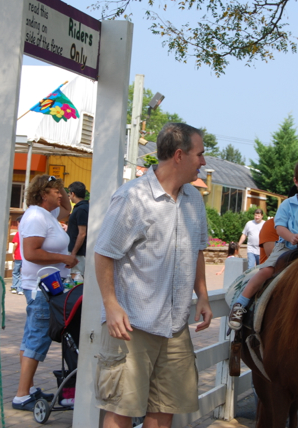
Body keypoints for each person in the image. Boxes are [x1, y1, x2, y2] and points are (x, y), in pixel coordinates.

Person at [94, 122, 213, 428]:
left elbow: (198, 249)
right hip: (133, 325)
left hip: (175, 326)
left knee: (164, 409)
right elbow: (104, 253)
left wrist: (202, 295)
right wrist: (111, 304)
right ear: (178, 155)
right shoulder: (132, 198)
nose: (203, 161)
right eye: (199, 154)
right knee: (121, 409)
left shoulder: (194, 200)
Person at [228, 158, 298, 330]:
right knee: (266, 271)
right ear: (296, 181)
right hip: (286, 247)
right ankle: (240, 304)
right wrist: (291, 237)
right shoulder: (288, 204)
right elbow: (280, 225)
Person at [13, 174, 77, 411]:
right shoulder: (35, 217)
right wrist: (64, 258)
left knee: (32, 336)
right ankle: (21, 395)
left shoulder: (47, 215)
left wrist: (61, 189)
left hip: (49, 285)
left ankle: (27, 388)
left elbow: (67, 210)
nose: (61, 194)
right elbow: (30, 253)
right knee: (38, 338)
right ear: (42, 194)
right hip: (41, 287)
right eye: (55, 191)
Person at [66, 181, 88, 276]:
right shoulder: (82, 207)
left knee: (76, 279)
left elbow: (82, 233)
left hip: (79, 253)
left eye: (69, 193)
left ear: (73, 193)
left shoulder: (81, 209)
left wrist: (73, 253)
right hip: (79, 252)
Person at [10, 215, 23, 295]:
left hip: (18, 255)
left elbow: (15, 244)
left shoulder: (18, 233)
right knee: (23, 273)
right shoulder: (26, 233)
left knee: (16, 272)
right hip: (25, 257)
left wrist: (13, 253)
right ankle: (20, 289)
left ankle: (14, 287)